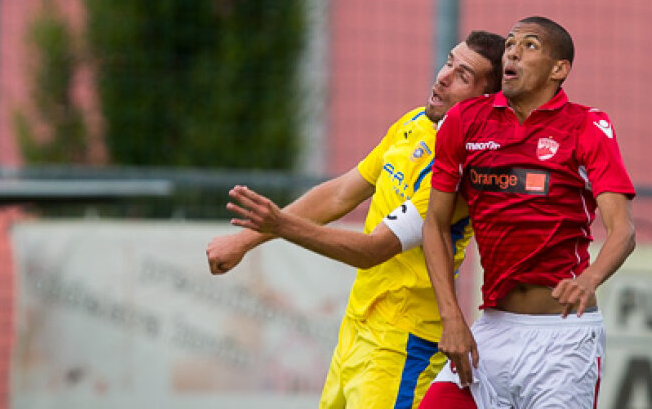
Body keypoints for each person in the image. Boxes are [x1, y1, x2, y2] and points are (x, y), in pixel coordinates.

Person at [207, 30, 507, 409]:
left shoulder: (462, 169)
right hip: (357, 327)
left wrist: (279, 224)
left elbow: (373, 249)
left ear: (484, 100)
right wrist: (245, 240)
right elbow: (340, 193)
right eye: (448, 62)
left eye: (462, 75)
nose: (443, 76)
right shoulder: (415, 123)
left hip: (402, 344)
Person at [420, 17, 636, 409]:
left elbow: (623, 231)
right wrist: (451, 317)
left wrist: (589, 280)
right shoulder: (465, 121)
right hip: (492, 330)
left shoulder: (587, 126)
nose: (513, 52)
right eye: (510, 44)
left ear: (559, 69)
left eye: (530, 45)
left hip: (563, 339)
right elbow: (434, 224)